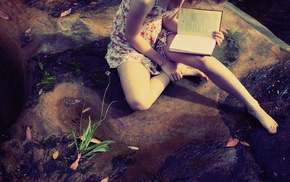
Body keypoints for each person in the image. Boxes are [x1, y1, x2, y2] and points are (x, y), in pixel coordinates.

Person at [105, 0, 278, 134]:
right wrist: (165, 64)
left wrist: (204, 34)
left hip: (156, 33)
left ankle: (253, 105)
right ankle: (175, 70)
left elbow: (167, 21)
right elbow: (132, 36)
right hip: (130, 45)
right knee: (139, 102)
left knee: (204, 60)